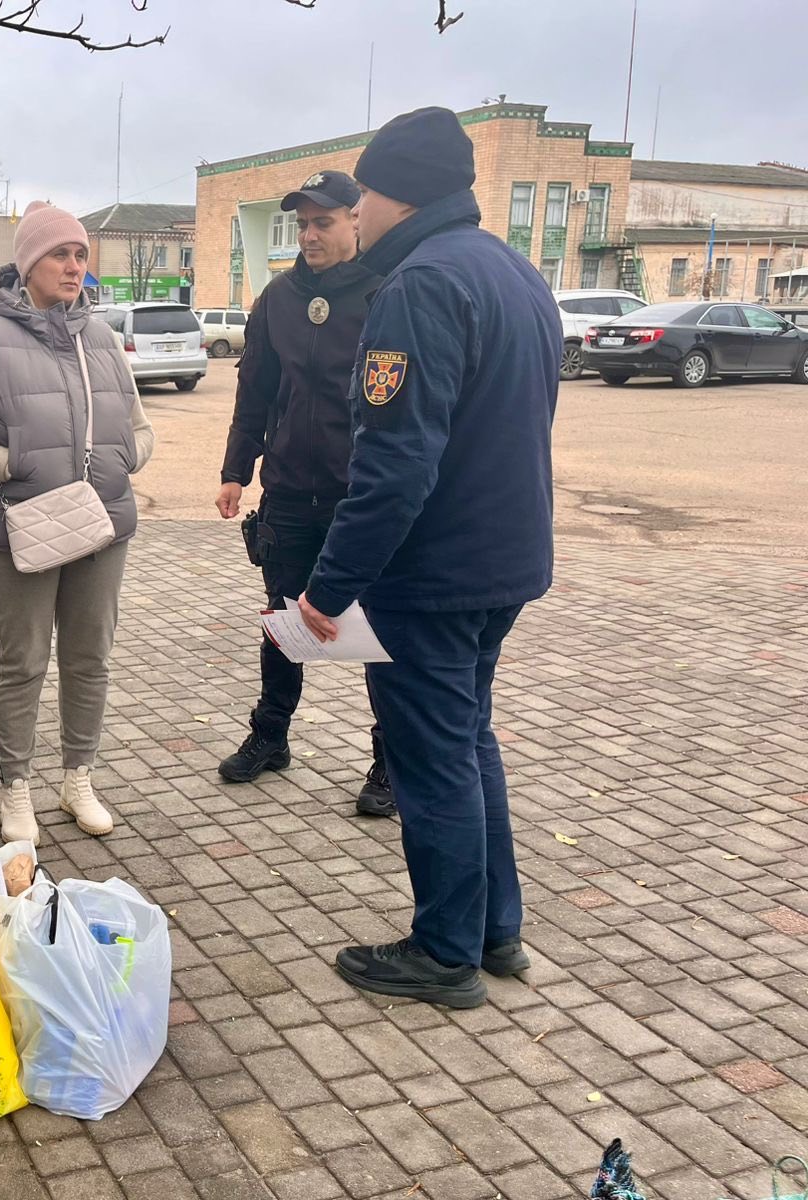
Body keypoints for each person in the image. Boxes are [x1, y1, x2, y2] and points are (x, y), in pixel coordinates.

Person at [296, 108, 561, 1007]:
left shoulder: (420, 285)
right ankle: (495, 930)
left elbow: (396, 463)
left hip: (436, 572)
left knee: (432, 756)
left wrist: (330, 587)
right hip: (506, 561)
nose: (357, 212)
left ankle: (445, 951)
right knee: (468, 738)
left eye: (363, 194)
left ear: (395, 192)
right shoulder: (514, 273)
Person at [0, 202, 155, 845]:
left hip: (101, 523)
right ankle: (17, 788)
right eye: (59, 254)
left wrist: (124, 456)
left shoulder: (103, 338)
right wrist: (22, 463)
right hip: (17, 528)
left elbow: (140, 429)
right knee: (23, 661)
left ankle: (78, 776)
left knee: (90, 659)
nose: (73, 266)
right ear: (29, 263)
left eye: (80, 254)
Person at [214, 170, 394, 818]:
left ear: (354, 218)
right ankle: (271, 735)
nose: (311, 234)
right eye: (303, 224)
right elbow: (254, 392)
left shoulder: (384, 295)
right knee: (284, 624)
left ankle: (389, 761)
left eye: (323, 221)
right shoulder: (277, 301)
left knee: (378, 631)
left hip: (359, 495)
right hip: (289, 493)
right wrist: (237, 469)